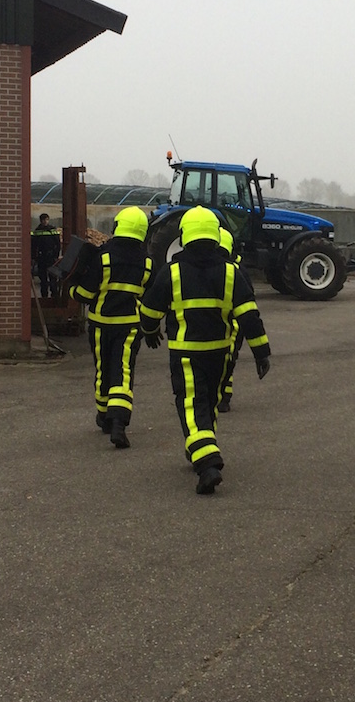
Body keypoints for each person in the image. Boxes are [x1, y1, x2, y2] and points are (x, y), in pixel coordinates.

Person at [139, 207, 271, 495]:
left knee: (191, 403)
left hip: (186, 352)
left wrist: (149, 332)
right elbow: (249, 316)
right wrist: (262, 352)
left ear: (184, 235)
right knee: (209, 402)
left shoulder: (172, 271)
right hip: (220, 353)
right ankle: (199, 447)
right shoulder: (232, 272)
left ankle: (208, 463)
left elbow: (149, 309)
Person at [70, 207, 152, 448]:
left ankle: (104, 415)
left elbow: (85, 294)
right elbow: (150, 298)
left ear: (118, 226)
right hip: (129, 326)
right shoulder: (147, 263)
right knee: (122, 370)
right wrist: (152, 327)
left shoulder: (103, 257)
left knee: (103, 369)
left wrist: (72, 286)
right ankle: (119, 423)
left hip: (100, 325)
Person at [216, 227, 244, 413]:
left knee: (224, 360)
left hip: (222, 325)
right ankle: (223, 396)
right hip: (233, 326)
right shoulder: (236, 271)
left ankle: (223, 396)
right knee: (228, 360)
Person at [30, 213, 61, 298]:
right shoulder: (37, 231)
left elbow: (58, 244)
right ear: (41, 221)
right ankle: (44, 296)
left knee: (53, 278)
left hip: (51, 257)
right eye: (44, 220)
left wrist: (56, 256)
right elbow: (33, 245)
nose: (45, 221)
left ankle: (54, 296)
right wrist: (34, 257)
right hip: (41, 257)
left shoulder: (52, 230)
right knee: (43, 278)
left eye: (46, 220)